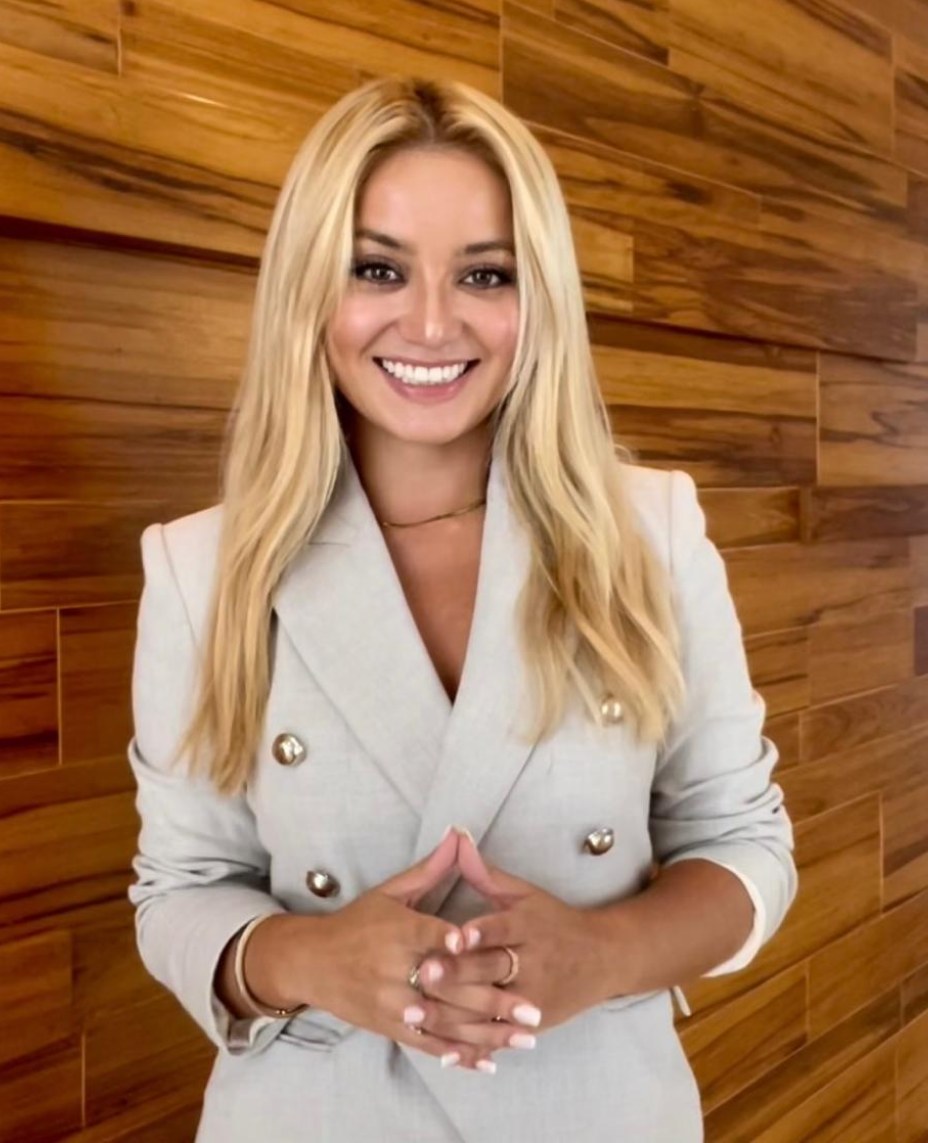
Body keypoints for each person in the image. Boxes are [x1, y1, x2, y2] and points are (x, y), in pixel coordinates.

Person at [128, 76, 797, 1142]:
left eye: (485, 274)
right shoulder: (200, 568)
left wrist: (606, 953)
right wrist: (314, 959)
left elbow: (745, 841)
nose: (433, 322)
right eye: (377, 269)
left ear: (539, 300)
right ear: (309, 288)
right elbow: (179, 889)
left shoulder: (650, 532)